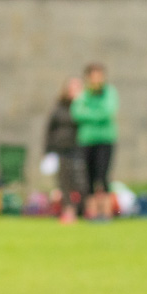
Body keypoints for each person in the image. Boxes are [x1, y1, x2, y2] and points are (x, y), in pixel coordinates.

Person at [71, 63, 119, 221]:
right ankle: (91, 213)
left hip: (105, 140)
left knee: (102, 175)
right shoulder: (83, 94)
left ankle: (105, 213)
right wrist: (96, 115)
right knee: (89, 176)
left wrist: (90, 114)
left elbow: (108, 111)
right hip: (87, 140)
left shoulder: (109, 93)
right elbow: (77, 113)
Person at [45, 77, 84, 224]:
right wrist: (47, 151)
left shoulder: (83, 107)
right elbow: (50, 129)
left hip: (79, 148)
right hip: (61, 149)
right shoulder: (59, 107)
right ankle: (69, 211)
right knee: (64, 181)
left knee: (80, 182)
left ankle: (81, 209)